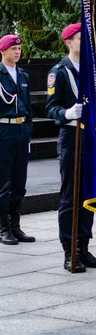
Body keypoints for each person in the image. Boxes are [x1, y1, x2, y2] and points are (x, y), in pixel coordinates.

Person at [46, 23, 96, 272]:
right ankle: (69, 250)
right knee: (70, 196)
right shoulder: (59, 72)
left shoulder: (93, 71)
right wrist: (68, 113)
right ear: (68, 42)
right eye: (80, 38)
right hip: (71, 138)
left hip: (91, 139)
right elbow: (51, 107)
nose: (85, 42)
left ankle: (83, 246)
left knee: (89, 194)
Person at [0, 34, 35, 245]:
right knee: (4, 183)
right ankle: (3, 228)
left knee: (19, 183)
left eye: (19, 48)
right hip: (3, 131)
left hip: (21, 130)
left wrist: (28, 130)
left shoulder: (23, 75)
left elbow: (28, 106)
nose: (17, 51)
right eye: (13, 48)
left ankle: (16, 225)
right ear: (3, 51)